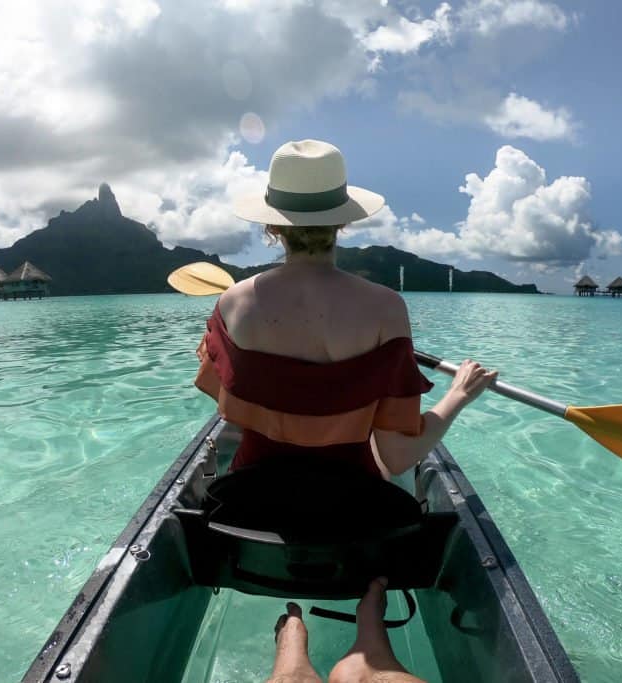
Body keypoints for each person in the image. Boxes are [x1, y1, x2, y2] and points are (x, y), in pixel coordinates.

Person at [194, 139, 497, 683]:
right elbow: (399, 456)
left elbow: (230, 414)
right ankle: (369, 641)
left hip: (250, 512)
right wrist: (459, 396)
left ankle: (291, 643)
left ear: (272, 228)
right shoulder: (386, 307)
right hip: (358, 519)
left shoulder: (232, 303)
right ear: (342, 224)